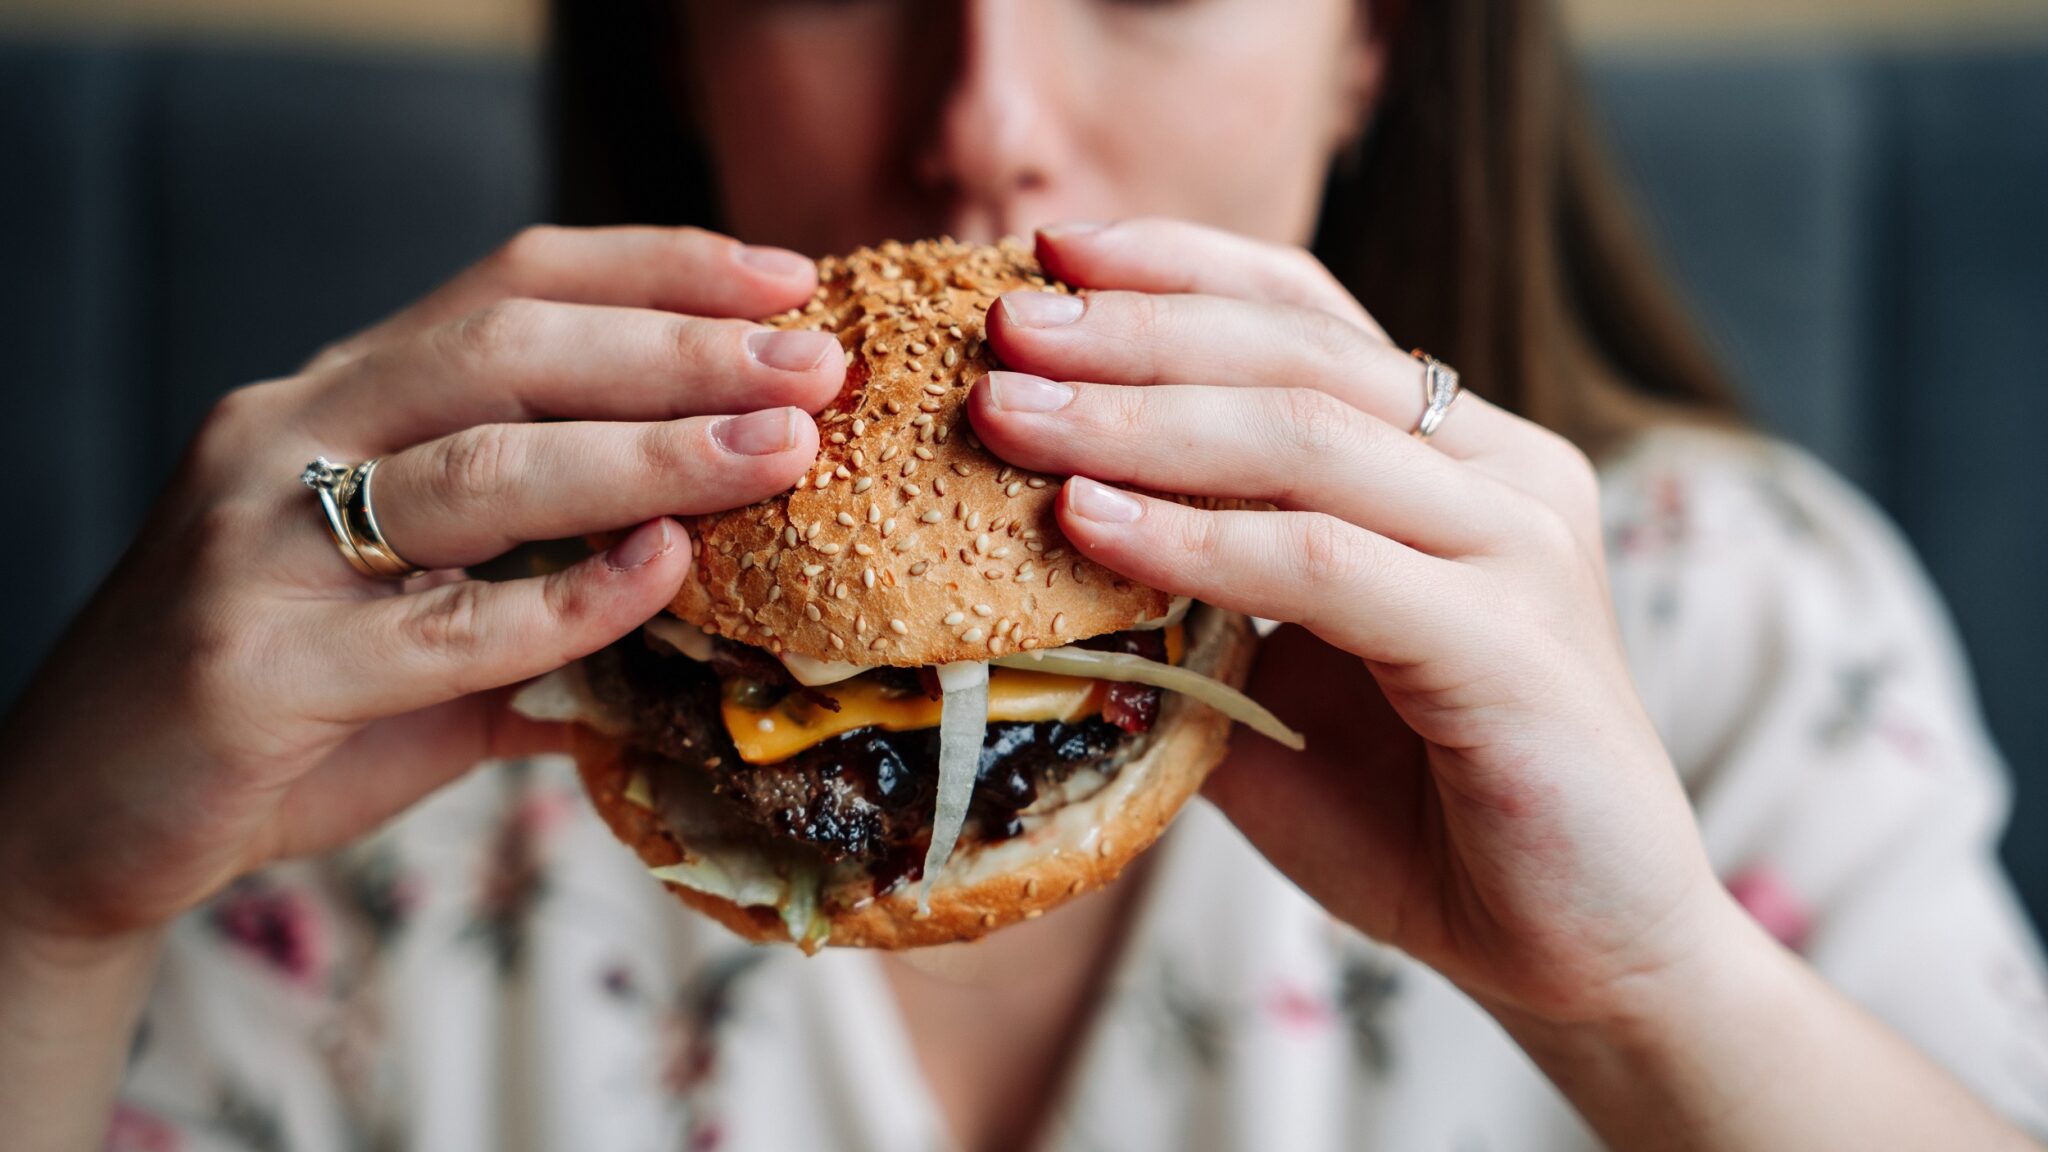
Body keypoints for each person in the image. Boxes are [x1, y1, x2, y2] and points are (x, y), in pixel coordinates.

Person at [2, 0, 2044, 1149]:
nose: (983, 131)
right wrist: (41, 904)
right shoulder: (339, 705)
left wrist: (1653, 989)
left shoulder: (1731, 629)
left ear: (1375, 46)